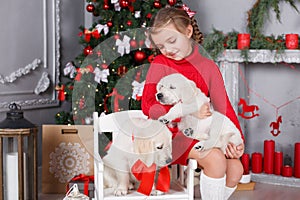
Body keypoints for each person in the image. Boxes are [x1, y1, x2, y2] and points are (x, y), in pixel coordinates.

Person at [141, 6, 245, 200]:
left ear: (188, 31)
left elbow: (224, 108)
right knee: (215, 159)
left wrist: (236, 141)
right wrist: (187, 111)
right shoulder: (160, 64)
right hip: (173, 136)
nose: (167, 50)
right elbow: (148, 106)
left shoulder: (208, 67)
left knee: (236, 169)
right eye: (161, 46)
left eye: (171, 41)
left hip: (204, 134)